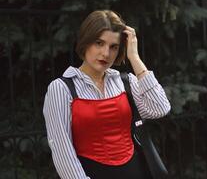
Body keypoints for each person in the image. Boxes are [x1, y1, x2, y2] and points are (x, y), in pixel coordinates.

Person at [42, 10, 171, 179]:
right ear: (85, 42)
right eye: (99, 43)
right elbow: (62, 151)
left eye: (113, 47)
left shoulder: (125, 82)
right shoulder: (61, 89)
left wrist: (134, 56)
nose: (106, 53)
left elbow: (160, 108)